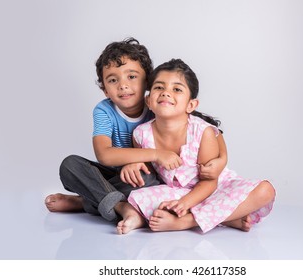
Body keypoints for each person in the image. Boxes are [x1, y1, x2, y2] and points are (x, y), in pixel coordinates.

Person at [44, 38, 228, 223]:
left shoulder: (160, 105)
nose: (123, 85)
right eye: (113, 80)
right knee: (70, 166)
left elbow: (207, 128)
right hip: (115, 175)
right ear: (105, 90)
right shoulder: (104, 111)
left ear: (147, 82)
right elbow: (104, 156)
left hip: (146, 178)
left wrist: (221, 160)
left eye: (131, 77)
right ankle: (121, 206)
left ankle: (86, 200)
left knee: (143, 178)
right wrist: (154, 155)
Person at [117, 59, 276, 234]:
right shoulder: (141, 134)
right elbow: (149, 171)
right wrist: (133, 163)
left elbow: (209, 181)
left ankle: (187, 221)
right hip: (176, 192)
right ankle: (226, 218)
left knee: (265, 190)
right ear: (148, 100)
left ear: (191, 105)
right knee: (136, 198)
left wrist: (185, 204)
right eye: (159, 87)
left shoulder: (202, 132)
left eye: (176, 89)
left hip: (215, 189)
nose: (166, 93)